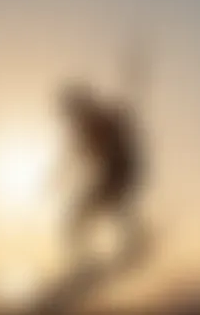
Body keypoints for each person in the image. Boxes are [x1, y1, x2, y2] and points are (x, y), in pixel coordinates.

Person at [54, 60, 151, 271]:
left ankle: (132, 244)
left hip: (121, 172)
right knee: (87, 215)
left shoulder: (101, 117)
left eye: (71, 110)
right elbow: (75, 155)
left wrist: (121, 123)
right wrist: (58, 176)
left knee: (104, 209)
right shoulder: (84, 127)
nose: (70, 117)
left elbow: (123, 128)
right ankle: (88, 257)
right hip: (112, 175)